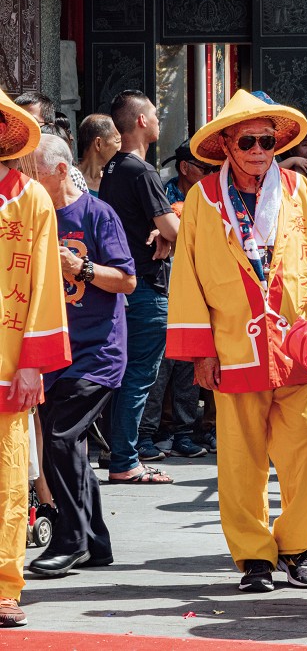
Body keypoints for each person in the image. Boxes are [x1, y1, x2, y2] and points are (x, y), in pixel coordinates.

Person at [166, 90, 307, 592]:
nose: (257, 149)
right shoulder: (203, 198)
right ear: (225, 143)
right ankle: (254, 558)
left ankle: (295, 546)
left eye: (266, 140)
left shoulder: (297, 188)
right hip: (234, 348)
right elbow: (187, 278)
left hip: (297, 346)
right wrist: (200, 351)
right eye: (246, 139)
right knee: (241, 458)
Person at [26, 134, 135, 576]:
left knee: (61, 438)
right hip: (53, 350)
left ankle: (71, 539)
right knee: (65, 442)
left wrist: (83, 268)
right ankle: (95, 543)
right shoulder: (33, 215)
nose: (23, 177)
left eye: (31, 169)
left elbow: (126, 281)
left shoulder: (96, 213)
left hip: (98, 350)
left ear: (56, 170)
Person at [0, 89, 72, 627]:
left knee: (6, 477)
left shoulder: (30, 198)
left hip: (8, 361)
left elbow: (47, 283)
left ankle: (3, 584)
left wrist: (33, 361)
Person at [99, 89, 179, 484]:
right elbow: (171, 228)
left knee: (123, 373)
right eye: (155, 114)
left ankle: (118, 453)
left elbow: (141, 224)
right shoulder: (141, 170)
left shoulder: (112, 169)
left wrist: (159, 230)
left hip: (122, 287)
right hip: (145, 286)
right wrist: (174, 227)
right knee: (138, 375)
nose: (159, 120)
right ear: (142, 122)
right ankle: (125, 461)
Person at [136, 138, 215, 460]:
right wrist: (168, 231)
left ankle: (186, 431)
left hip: (202, 289)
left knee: (188, 369)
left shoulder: (214, 196)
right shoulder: (165, 194)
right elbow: (164, 226)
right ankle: (151, 433)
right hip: (166, 289)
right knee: (162, 369)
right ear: (185, 168)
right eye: (205, 168)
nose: (211, 173)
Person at [77, 114, 121, 196]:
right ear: (98, 143)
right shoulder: (71, 178)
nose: (120, 148)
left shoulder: (113, 180)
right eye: (117, 141)